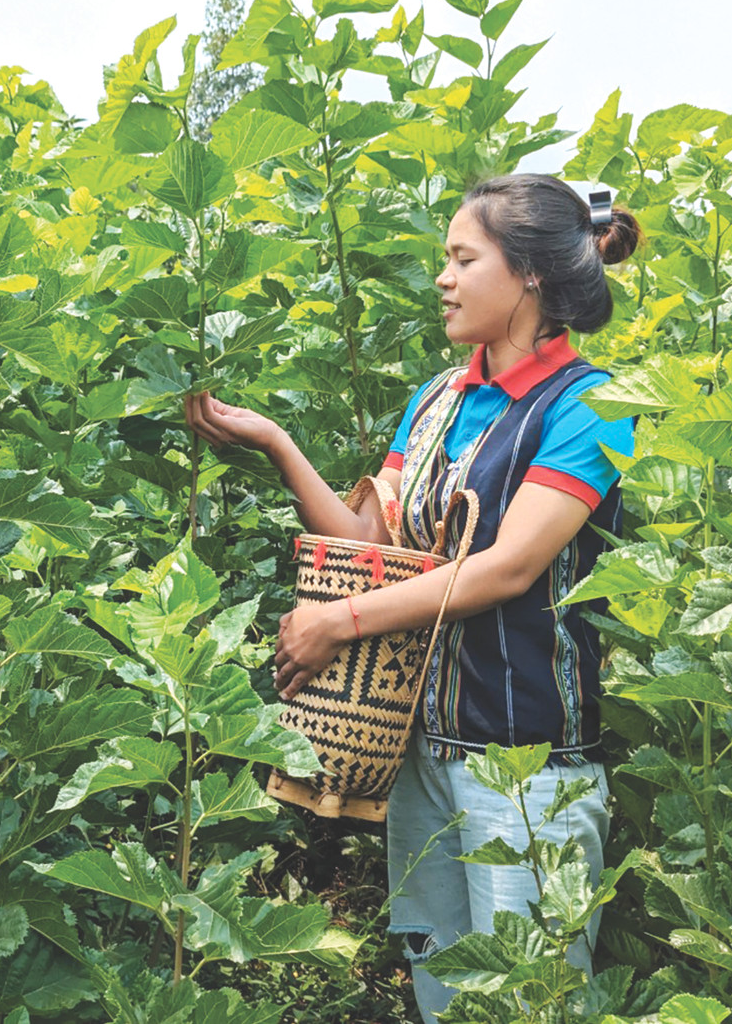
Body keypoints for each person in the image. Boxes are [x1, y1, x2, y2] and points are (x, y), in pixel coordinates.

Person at [185, 173, 640, 1022]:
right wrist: (276, 444)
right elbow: (372, 549)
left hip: (527, 770)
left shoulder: (591, 405)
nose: (444, 277)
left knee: (528, 1006)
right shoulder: (437, 401)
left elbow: (509, 567)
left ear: (532, 275)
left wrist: (339, 621)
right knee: (444, 999)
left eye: (464, 258)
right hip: (423, 754)